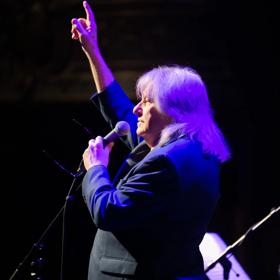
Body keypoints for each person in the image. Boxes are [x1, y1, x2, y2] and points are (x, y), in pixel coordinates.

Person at [71, 1, 230, 280]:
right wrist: (92, 51)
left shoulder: (167, 162)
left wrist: (96, 168)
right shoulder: (190, 149)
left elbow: (109, 211)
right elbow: (119, 109)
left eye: (147, 101)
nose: (136, 109)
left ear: (174, 109)